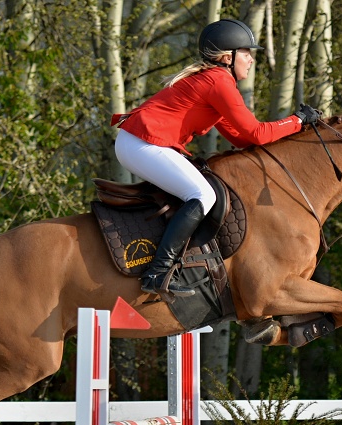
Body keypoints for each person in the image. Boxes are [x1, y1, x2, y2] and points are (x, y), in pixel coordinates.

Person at [113, 18, 322, 297]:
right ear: (227, 57)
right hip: (142, 143)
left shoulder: (216, 82)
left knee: (199, 193)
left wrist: (292, 131)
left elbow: (242, 138)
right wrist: (297, 121)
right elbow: (256, 132)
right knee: (202, 195)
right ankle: (157, 272)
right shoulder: (218, 81)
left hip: (139, 142)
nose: (250, 60)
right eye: (246, 53)